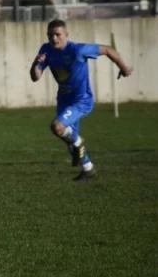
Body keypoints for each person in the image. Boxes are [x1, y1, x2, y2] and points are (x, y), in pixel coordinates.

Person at [30, 19, 133, 181]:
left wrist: (123, 67)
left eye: (58, 35)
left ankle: (78, 142)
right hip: (63, 99)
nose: (54, 38)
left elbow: (107, 49)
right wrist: (36, 63)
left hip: (81, 100)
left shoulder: (78, 50)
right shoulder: (46, 50)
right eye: (50, 35)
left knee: (57, 127)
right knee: (68, 141)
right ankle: (88, 169)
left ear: (66, 35)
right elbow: (35, 78)